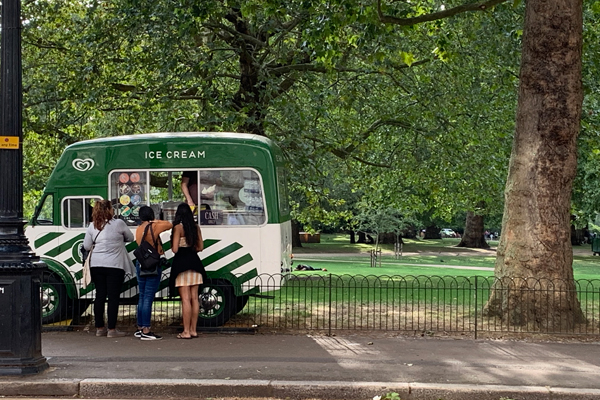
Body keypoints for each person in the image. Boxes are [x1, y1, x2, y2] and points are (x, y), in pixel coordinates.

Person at [83, 199, 134, 338]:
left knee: (100, 296)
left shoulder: (92, 226)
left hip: (96, 264)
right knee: (113, 297)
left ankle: (99, 328)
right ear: (110, 210)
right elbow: (131, 238)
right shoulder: (119, 223)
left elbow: (87, 246)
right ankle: (112, 329)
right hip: (115, 265)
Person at [134, 206, 173, 341]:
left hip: (140, 264)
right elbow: (169, 224)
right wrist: (154, 221)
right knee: (148, 298)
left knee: (142, 296)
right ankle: (146, 329)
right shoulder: (153, 227)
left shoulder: (138, 229)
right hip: (152, 266)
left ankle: (140, 327)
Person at [169, 203, 207, 339]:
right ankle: (193, 330)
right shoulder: (196, 227)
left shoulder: (178, 228)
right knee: (194, 298)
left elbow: (174, 249)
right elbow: (200, 247)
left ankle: (185, 331)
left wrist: (180, 244)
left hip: (181, 265)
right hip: (195, 264)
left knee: (185, 299)